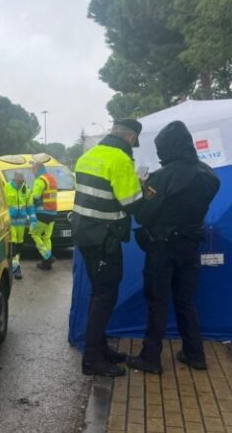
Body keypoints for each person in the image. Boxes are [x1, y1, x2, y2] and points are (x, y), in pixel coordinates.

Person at [126, 121, 220, 374]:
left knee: (157, 301)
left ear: (167, 148)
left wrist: (142, 187)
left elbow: (144, 215)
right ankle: (194, 353)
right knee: (185, 300)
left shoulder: (161, 177)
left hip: (161, 247)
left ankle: (150, 358)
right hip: (189, 246)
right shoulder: (209, 175)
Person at [72, 119, 145, 377]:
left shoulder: (89, 156)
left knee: (98, 294)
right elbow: (132, 204)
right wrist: (142, 186)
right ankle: (92, 359)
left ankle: (100, 348)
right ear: (131, 138)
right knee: (105, 296)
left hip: (85, 235)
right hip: (104, 239)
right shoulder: (120, 160)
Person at [4, 171, 37, 279]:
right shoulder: (6, 188)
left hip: (21, 222)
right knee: (13, 243)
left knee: (19, 244)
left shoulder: (26, 189)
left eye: (22, 180)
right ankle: (16, 268)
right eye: (19, 180)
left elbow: (30, 205)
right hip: (10, 222)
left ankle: (14, 264)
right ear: (14, 178)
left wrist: (33, 219)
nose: (21, 182)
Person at [29, 161, 58, 270]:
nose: (33, 173)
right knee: (47, 237)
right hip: (53, 213)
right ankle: (47, 263)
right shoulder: (52, 179)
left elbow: (35, 197)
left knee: (34, 234)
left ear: (37, 169)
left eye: (33, 170)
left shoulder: (40, 180)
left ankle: (48, 257)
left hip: (42, 213)